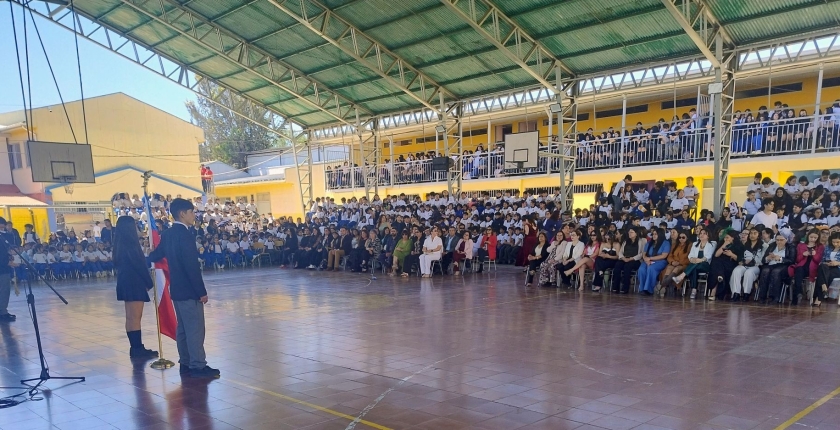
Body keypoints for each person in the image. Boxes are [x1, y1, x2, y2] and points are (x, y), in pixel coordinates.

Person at [149, 198, 219, 378]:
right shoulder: (186, 234)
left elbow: (157, 254)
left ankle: (186, 362)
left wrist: (149, 254)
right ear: (182, 213)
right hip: (189, 289)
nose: (194, 215)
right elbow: (191, 266)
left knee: (183, 328)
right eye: (191, 212)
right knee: (195, 328)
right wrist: (201, 291)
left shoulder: (168, 234)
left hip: (177, 289)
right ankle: (198, 365)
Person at [112, 216, 157, 358]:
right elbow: (139, 265)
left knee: (130, 317)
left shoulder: (119, 244)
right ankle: (138, 349)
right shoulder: (131, 245)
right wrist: (149, 282)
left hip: (125, 281)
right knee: (135, 317)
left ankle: (135, 347)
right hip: (135, 281)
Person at [673, 229, 716, 298]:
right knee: (694, 269)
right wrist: (692, 259)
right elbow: (690, 255)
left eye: (704, 233)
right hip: (695, 264)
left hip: (705, 265)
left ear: (708, 236)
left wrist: (700, 260)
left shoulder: (712, 244)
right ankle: (694, 290)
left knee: (694, 266)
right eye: (700, 233)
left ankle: (683, 277)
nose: (701, 235)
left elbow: (709, 256)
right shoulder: (695, 244)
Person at [756, 234, 795, 304]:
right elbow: (763, 260)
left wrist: (780, 258)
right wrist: (767, 258)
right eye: (777, 240)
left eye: (781, 240)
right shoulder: (772, 246)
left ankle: (774, 297)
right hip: (771, 264)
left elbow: (792, 261)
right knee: (765, 271)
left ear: (786, 240)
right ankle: (762, 296)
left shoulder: (791, 247)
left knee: (776, 272)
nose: (779, 242)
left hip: (783, 266)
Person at [789, 229, 824, 306]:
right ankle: (797, 294)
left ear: (818, 238)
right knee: (799, 271)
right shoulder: (801, 245)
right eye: (811, 237)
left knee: (799, 272)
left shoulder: (820, 246)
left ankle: (797, 294)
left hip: (813, 268)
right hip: (802, 266)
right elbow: (797, 260)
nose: (813, 239)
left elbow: (818, 260)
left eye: (815, 238)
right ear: (808, 236)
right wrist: (803, 254)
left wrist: (814, 254)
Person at [730, 228, 765, 301]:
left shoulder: (763, 245)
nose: (752, 235)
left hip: (756, 266)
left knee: (749, 272)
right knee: (737, 270)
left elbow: (763, 259)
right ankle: (736, 293)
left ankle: (746, 293)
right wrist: (742, 261)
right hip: (745, 264)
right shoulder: (745, 245)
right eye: (751, 233)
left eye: (755, 233)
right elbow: (740, 256)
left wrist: (753, 261)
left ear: (758, 235)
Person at [707, 230, 743, 301]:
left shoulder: (739, 246)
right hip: (719, 264)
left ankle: (713, 292)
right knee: (716, 261)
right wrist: (724, 245)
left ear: (733, 238)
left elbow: (739, 259)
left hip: (730, 264)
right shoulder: (722, 244)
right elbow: (716, 255)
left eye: (727, 237)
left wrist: (731, 254)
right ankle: (720, 276)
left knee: (716, 265)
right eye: (725, 237)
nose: (725, 239)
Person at [637, 227, 671, 296]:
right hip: (648, 260)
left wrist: (650, 258)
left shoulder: (666, 243)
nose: (654, 235)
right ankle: (642, 289)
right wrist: (646, 259)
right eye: (653, 234)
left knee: (651, 268)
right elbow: (644, 253)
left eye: (656, 234)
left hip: (660, 261)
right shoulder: (649, 243)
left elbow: (664, 256)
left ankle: (648, 289)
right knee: (641, 269)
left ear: (660, 235)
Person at [612, 228, 646, 294]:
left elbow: (642, 253)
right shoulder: (626, 241)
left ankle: (625, 288)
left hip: (635, 260)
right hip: (625, 258)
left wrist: (632, 258)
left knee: (627, 267)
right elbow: (621, 252)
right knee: (617, 266)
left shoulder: (642, 241)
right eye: (629, 232)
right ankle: (615, 287)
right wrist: (623, 258)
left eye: (631, 232)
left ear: (636, 233)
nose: (629, 234)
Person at [815, 232, 840, 307]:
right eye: (833, 242)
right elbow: (822, 260)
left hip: (838, 268)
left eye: (838, 242)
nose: (835, 244)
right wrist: (827, 263)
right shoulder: (828, 247)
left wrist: (838, 263)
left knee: (824, 274)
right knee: (822, 267)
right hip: (827, 267)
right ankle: (824, 288)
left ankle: (819, 297)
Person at [0, 217, 15, 322]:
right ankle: (3, 312)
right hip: (2, 268)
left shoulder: (3, 236)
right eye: (3, 225)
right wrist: (7, 262)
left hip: (3, 267)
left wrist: (9, 255)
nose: (5, 227)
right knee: (4, 290)